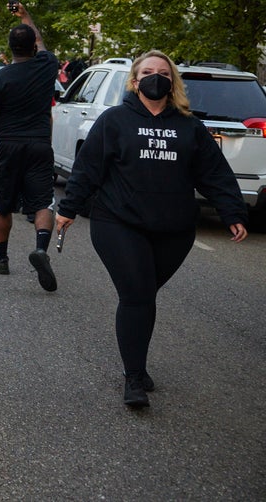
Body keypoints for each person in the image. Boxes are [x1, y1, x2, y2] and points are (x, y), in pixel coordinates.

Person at [55, 51, 248, 407]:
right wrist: (67, 209)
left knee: (143, 295)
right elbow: (88, 168)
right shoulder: (115, 121)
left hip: (173, 231)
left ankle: (137, 365)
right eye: (147, 72)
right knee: (137, 295)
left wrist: (231, 211)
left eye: (162, 73)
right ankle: (134, 379)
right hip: (118, 223)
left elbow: (214, 173)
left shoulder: (190, 127)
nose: (155, 77)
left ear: (172, 82)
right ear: (134, 80)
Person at [0, 2, 60, 291]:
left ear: (10, 48)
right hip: (40, 142)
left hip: (10, 144)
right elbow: (40, 39)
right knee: (42, 200)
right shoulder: (47, 65)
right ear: (33, 47)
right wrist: (25, 15)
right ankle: (41, 248)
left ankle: (1, 258)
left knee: (3, 204)